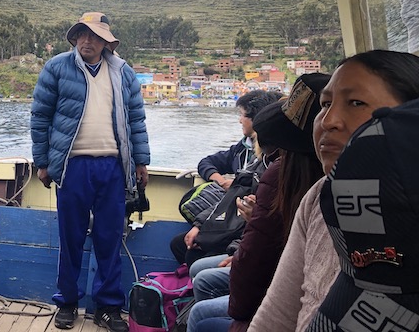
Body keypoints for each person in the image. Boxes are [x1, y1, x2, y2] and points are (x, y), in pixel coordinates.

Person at [247, 50, 419, 332]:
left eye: (356, 102)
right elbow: (276, 316)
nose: (328, 120)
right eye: (325, 104)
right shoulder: (319, 196)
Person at [30, 12, 150, 332]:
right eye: (82, 34)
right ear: (75, 37)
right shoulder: (57, 67)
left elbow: (136, 120)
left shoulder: (123, 72)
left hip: (112, 166)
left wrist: (141, 161)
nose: (87, 40)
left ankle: (108, 307)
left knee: (109, 237)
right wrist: (42, 163)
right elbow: (40, 118)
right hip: (73, 166)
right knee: (70, 238)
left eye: (95, 36)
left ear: (106, 41)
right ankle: (67, 302)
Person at [189, 73, 329, 332]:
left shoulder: (278, 175)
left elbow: (259, 255)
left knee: (201, 310)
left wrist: (238, 254)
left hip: (275, 288)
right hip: (275, 271)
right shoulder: (326, 179)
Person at [171, 90, 283, 265]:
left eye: (242, 115)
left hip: (242, 225)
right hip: (235, 217)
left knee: (194, 256)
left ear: (257, 119)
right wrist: (222, 181)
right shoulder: (241, 149)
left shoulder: (270, 163)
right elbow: (206, 163)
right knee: (180, 244)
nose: (239, 120)